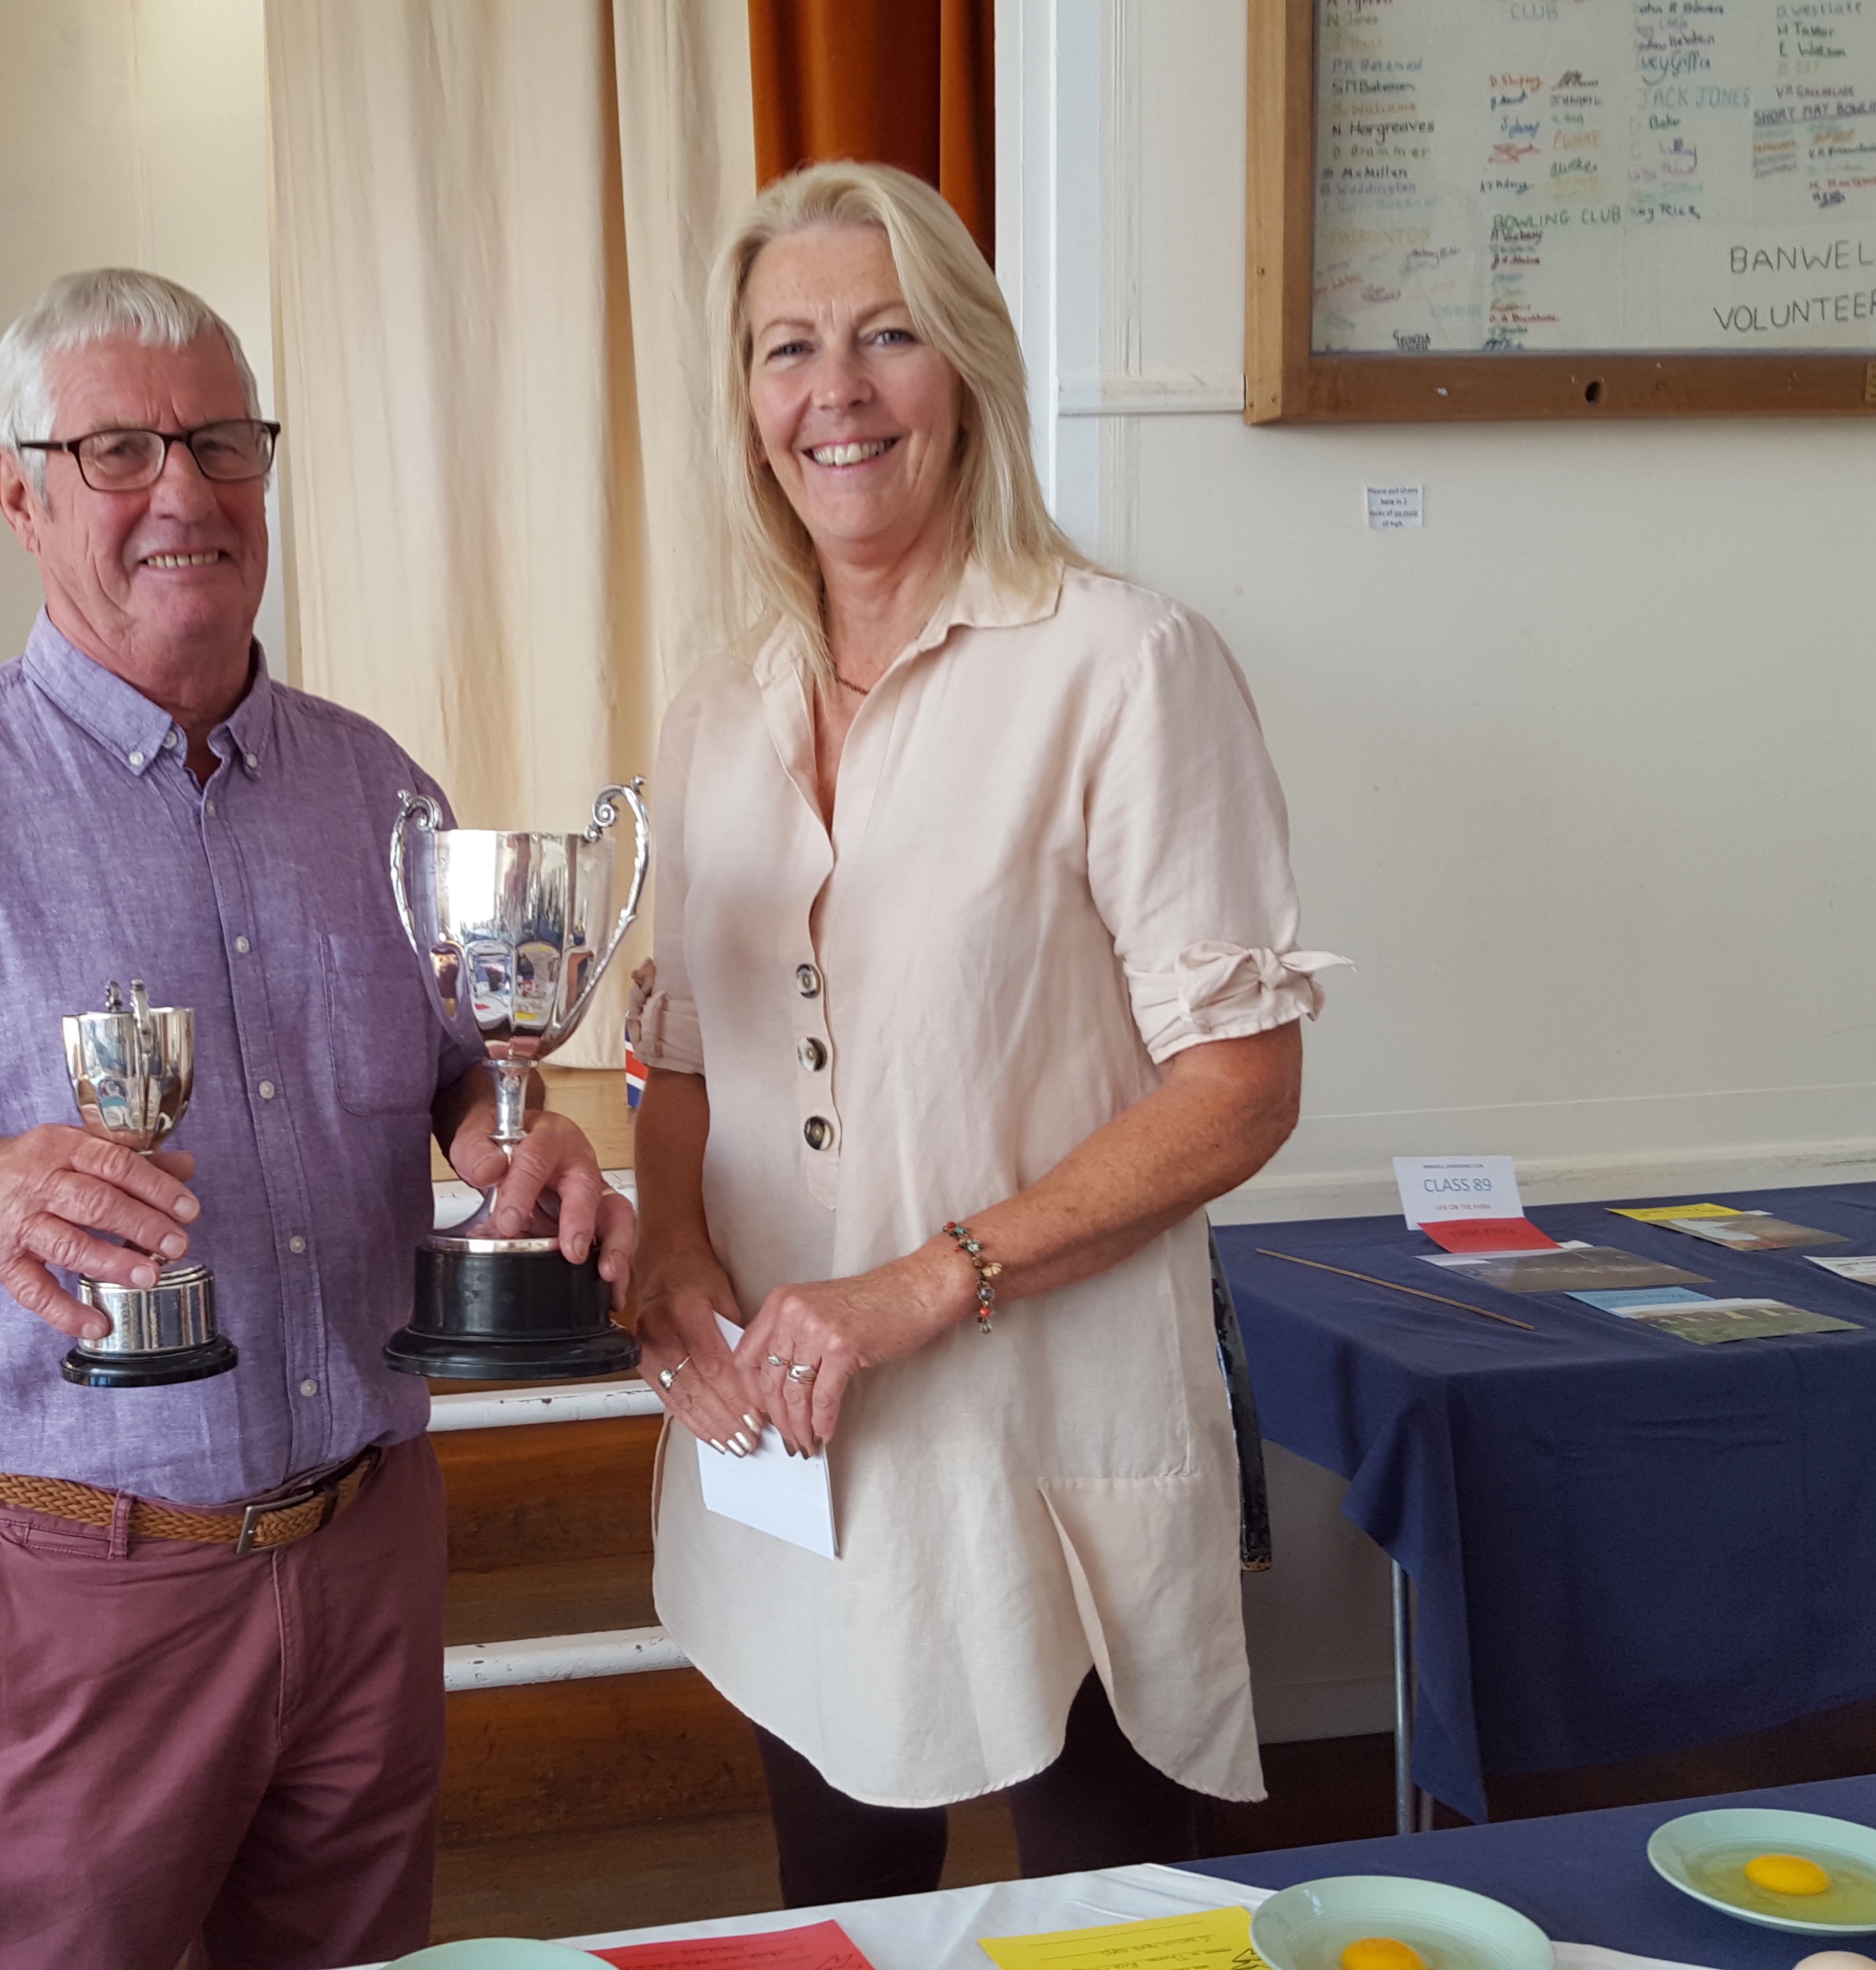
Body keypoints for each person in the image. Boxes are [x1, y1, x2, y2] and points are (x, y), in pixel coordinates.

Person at [0, 268, 633, 1970]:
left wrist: (505, 1132)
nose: (184, 492)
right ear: (18, 491)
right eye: (118, 450)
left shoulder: (379, 791)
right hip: (65, 1581)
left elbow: (458, 1067)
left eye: (222, 442)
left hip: (364, 1550)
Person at [626, 164, 1345, 1905]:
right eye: (787, 348)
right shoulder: (719, 705)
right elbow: (685, 1047)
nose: (836, 391)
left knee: (1106, 1912)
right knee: (837, 1892)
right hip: (785, 1428)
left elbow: (1242, 1087)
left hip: (1043, 1419)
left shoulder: (1124, 665)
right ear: (745, 402)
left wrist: (919, 1283)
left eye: (887, 336)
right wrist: (672, 1252)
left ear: (968, 369)